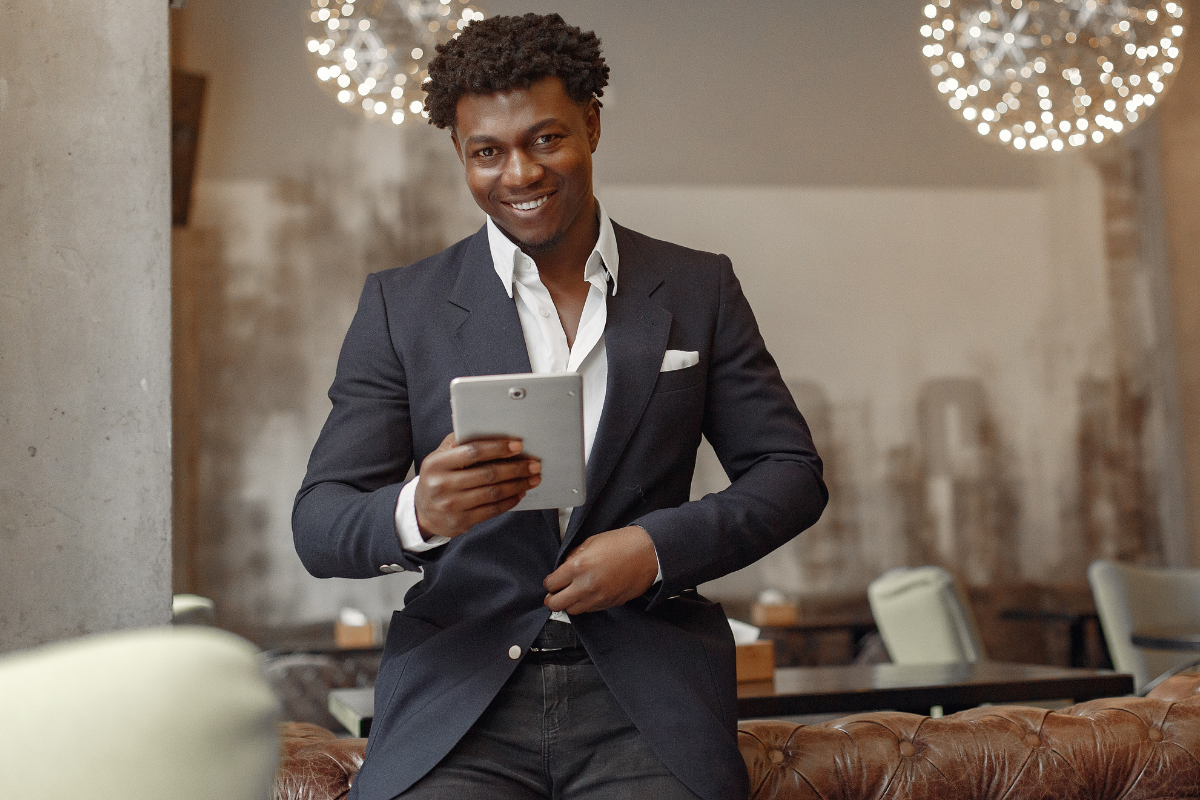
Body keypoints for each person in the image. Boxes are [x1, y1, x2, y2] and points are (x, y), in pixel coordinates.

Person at [293, 13, 827, 800]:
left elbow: (790, 475)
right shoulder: (400, 308)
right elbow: (320, 522)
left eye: (545, 139)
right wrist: (421, 511)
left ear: (593, 125)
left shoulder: (697, 288)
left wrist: (653, 549)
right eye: (488, 152)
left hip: (647, 700)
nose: (519, 174)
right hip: (460, 703)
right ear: (461, 155)